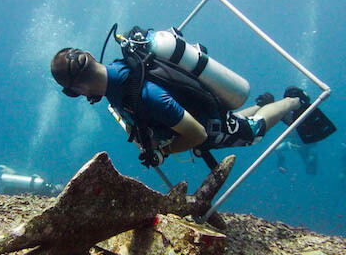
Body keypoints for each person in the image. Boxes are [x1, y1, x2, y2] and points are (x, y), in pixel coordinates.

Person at [50, 47, 312, 168]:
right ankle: (263, 105)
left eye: (76, 94)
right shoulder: (116, 75)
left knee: (253, 133)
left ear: (80, 89)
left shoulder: (143, 94)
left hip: (206, 125)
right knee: (232, 121)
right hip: (203, 113)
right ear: (93, 57)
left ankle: (294, 101)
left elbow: (197, 134)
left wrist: (163, 152)